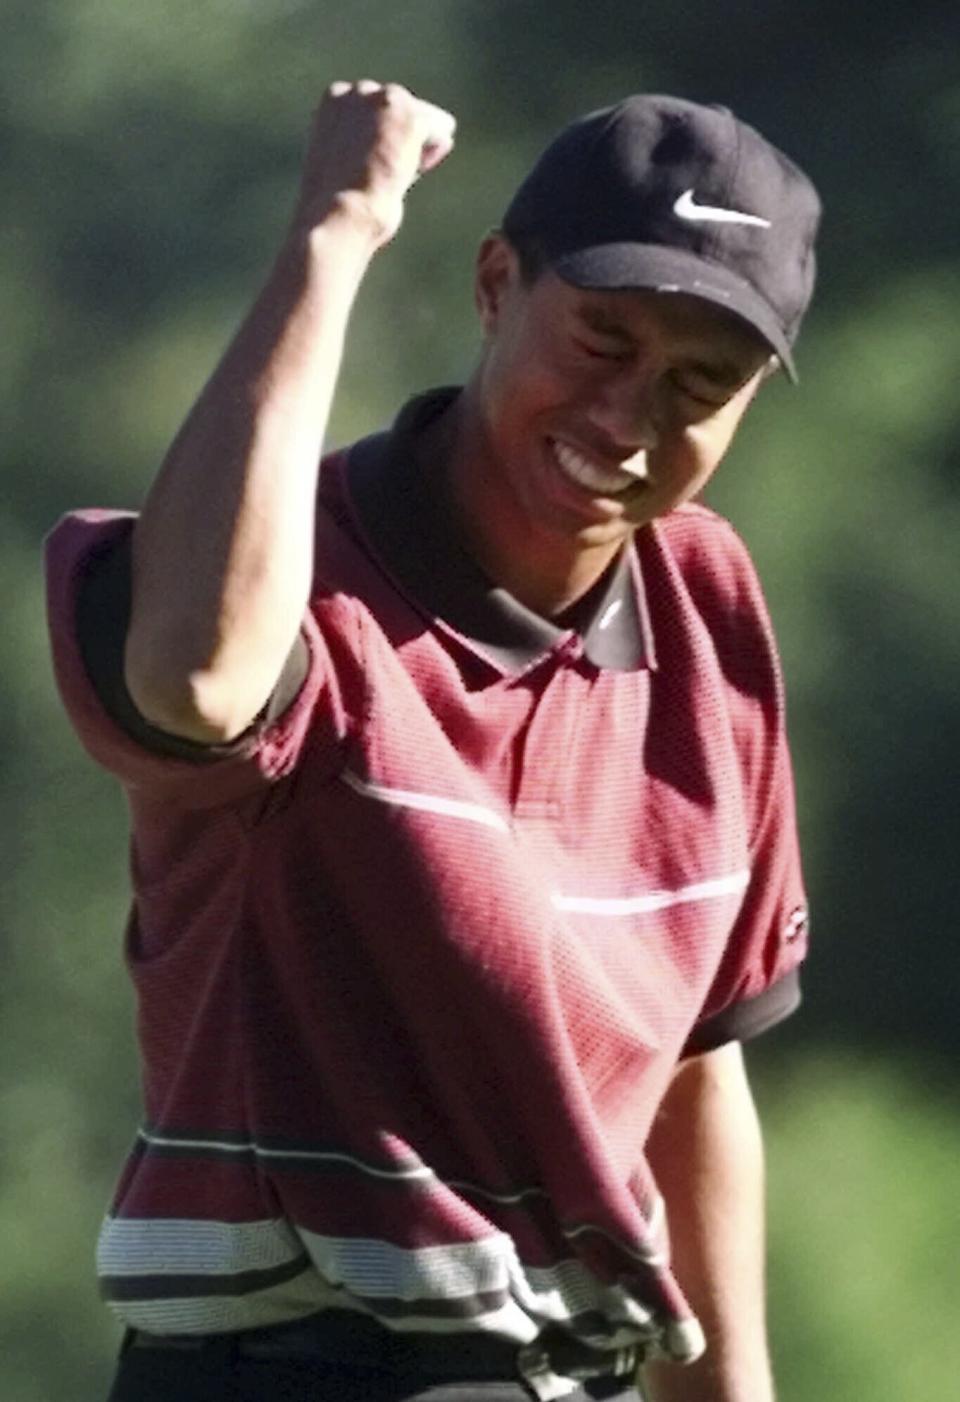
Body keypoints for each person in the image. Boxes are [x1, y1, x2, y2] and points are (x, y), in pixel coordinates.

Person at [45, 80, 820, 1402]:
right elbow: (197, 677)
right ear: (495, 284)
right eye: (600, 341)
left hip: (573, 1373)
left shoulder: (708, 606)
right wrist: (334, 230)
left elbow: (695, 1058)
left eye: (699, 383)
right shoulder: (296, 571)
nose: (628, 421)